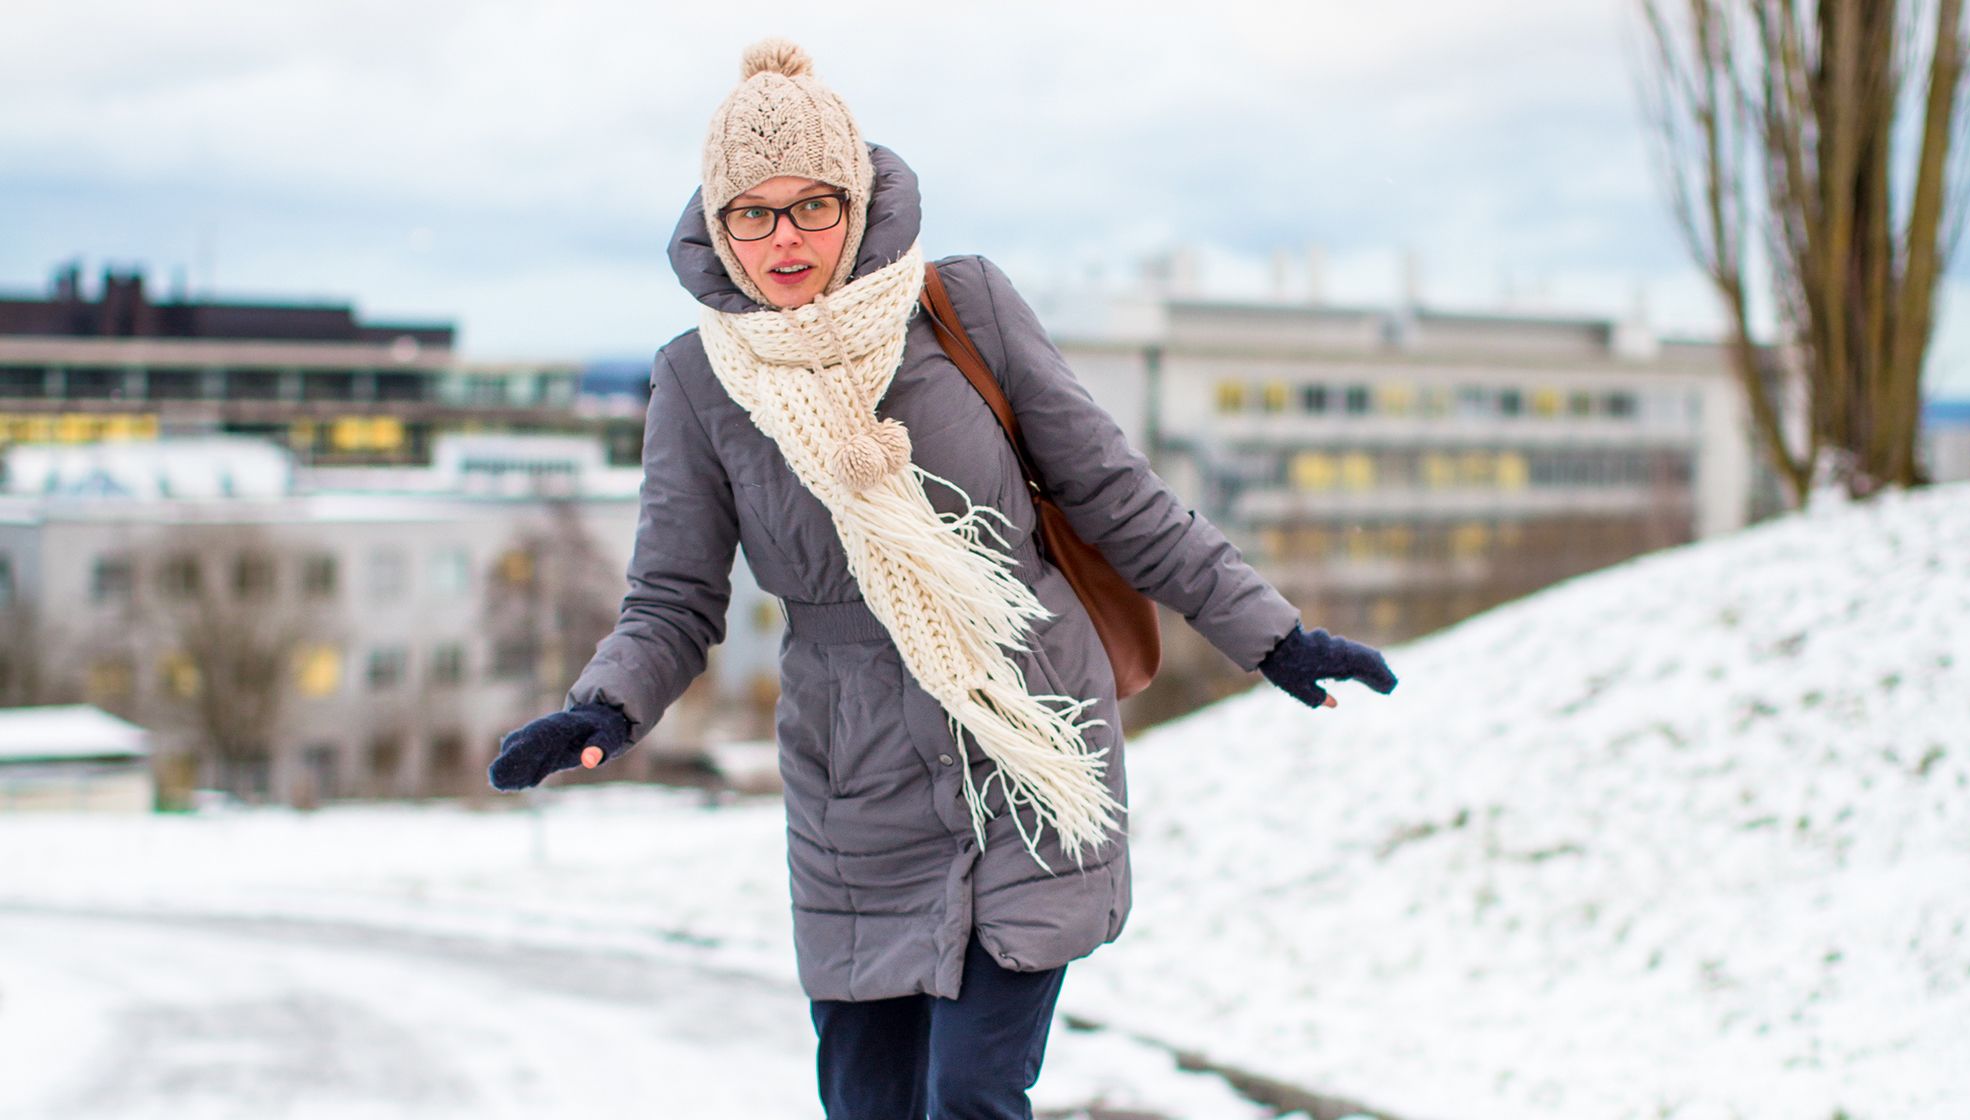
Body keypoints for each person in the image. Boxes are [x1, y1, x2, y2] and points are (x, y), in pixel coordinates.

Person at [488, 37, 1398, 1120]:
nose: (786, 240)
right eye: (753, 213)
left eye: (812, 206)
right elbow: (674, 600)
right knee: (869, 1103)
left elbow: (1118, 496)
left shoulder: (962, 310)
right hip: (855, 786)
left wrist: (1272, 637)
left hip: (1027, 740)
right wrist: (602, 705)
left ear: (858, 196)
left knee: (969, 1091)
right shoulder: (697, 381)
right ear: (715, 222)